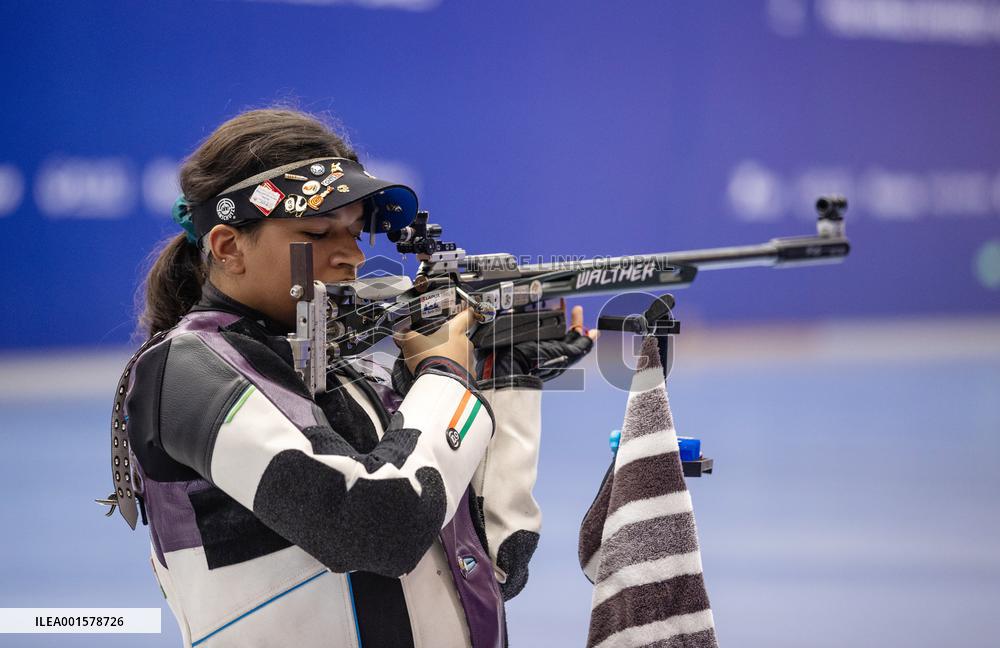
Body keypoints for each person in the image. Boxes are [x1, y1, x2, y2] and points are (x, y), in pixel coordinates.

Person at [110, 108, 598, 648]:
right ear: (228, 247)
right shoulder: (183, 371)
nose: (354, 256)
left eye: (356, 231)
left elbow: (497, 561)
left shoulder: (349, 371)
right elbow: (379, 527)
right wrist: (446, 376)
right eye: (318, 233)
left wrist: (502, 380)